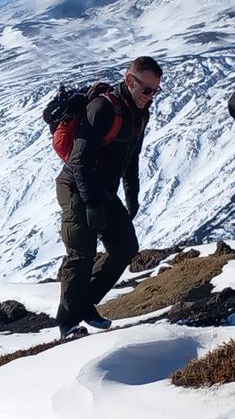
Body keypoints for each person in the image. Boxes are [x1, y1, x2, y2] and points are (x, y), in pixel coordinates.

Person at [56, 56, 162, 338]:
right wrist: (90, 203)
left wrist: (132, 194)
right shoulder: (103, 107)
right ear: (130, 81)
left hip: (102, 189)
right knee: (81, 253)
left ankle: (85, 304)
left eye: (155, 91)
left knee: (125, 246)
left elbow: (132, 156)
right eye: (147, 90)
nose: (150, 97)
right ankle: (67, 324)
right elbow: (78, 162)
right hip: (77, 187)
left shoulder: (140, 113)